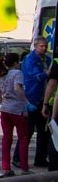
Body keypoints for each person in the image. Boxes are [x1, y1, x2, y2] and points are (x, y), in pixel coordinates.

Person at [0, 52, 28, 179]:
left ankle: (6, 167)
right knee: (23, 137)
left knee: (7, 138)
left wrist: (3, 101)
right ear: (16, 62)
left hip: (5, 109)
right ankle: (24, 168)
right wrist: (26, 102)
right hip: (17, 109)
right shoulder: (17, 73)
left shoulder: (1, 75)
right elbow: (18, 89)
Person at [24, 36, 53, 169]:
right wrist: (48, 72)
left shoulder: (47, 59)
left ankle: (40, 158)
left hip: (43, 98)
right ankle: (19, 158)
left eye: (45, 46)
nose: (44, 48)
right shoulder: (30, 60)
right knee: (28, 131)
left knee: (43, 131)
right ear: (35, 46)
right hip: (32, 97)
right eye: (41, 46)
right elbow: (37, 76)